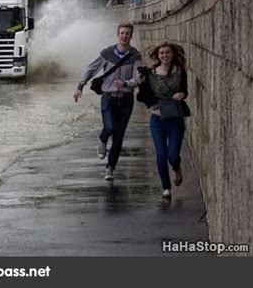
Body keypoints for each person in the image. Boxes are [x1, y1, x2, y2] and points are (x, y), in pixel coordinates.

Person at [73, 23, 142, 181]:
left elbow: (139, 77)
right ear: (117, 35)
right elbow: (91, 69)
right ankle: (102, 139)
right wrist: (80, 86)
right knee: (109, 127)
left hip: (126, 100)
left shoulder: (135, 56)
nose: (124, 36)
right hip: (108, 98)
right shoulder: (107, 53)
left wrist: (126, 83)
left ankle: (110, 168)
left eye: (127, 34)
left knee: (119, 136)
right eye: (122, 33)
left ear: (131, 36)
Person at [137, 41, 189, 199]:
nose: (165, 55)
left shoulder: (180, 71)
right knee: (161, 154)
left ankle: (177, 167)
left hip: (175, 118)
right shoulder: (151, 73)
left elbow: (184, 90)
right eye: (162, 53)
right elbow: (143, 94)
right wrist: (153, 105)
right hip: (157, 120)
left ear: (172, 54)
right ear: (157, 56)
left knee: (172, 156)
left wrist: (182, 94)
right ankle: (166, 188)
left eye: (167, 52)